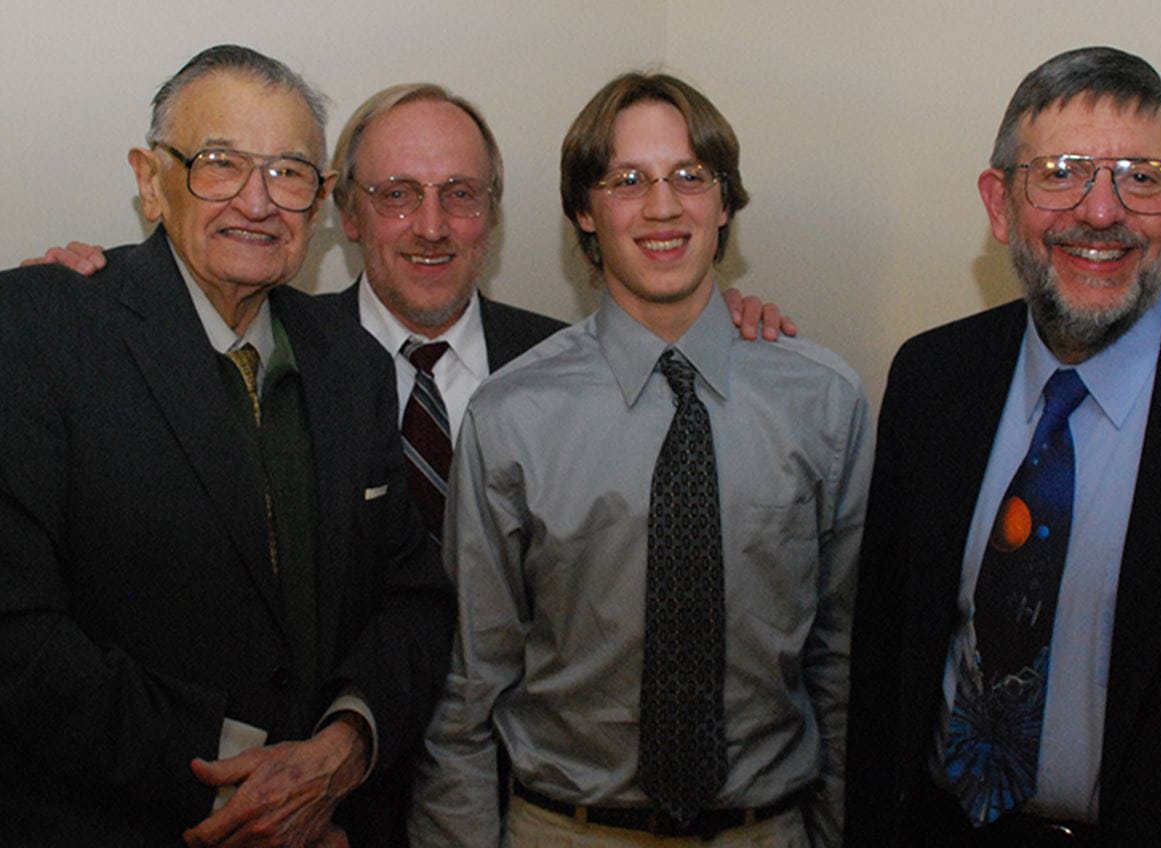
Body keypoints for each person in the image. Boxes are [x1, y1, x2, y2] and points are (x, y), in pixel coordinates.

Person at [0, 45, 454, 847]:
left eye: (288, 173)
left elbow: (412, 599)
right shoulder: (37, 330)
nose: (258, 200)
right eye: (220, 164)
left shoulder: (352, 364)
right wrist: (253, 788)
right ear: (151, 180)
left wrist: (342, 750)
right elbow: (19, 635)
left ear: (319, 201)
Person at [412, 71, 872, 848]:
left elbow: (842, 660)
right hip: (565, 828)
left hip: (764, 829)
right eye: (627, 181)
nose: (663, 207)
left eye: (690, 176)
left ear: (724, 203)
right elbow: (470, 681)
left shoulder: (824, 403)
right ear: (583, 212)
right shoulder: (512, 415)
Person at [845, 45, 1161, 846]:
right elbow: (883, 658)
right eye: (1061, 173)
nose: (1102, 211)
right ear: (1000, 203)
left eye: (1141, 176)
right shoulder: (933, 379)